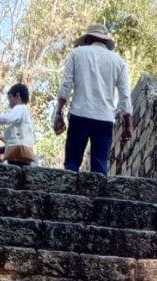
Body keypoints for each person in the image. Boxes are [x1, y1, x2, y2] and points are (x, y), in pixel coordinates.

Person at [53, 23, 133, 176]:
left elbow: (66, 86)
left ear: (87, 39)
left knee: (72, 162)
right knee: (100, 164)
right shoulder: (118, 61)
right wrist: (127, 125)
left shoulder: (77, 54)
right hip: (104, 119)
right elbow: (124, 95)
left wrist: (58, 112)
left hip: (79, 115)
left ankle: (69, 197)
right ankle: (98, 198)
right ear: (105, 41)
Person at [0, 83, 36, 166]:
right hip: (23, 151)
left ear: (17, 96)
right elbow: (15, 139)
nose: (9, 102)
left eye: (10, 98)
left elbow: (8, 118)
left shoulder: (20, 108)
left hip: (19, 153)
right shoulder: (24, 115)